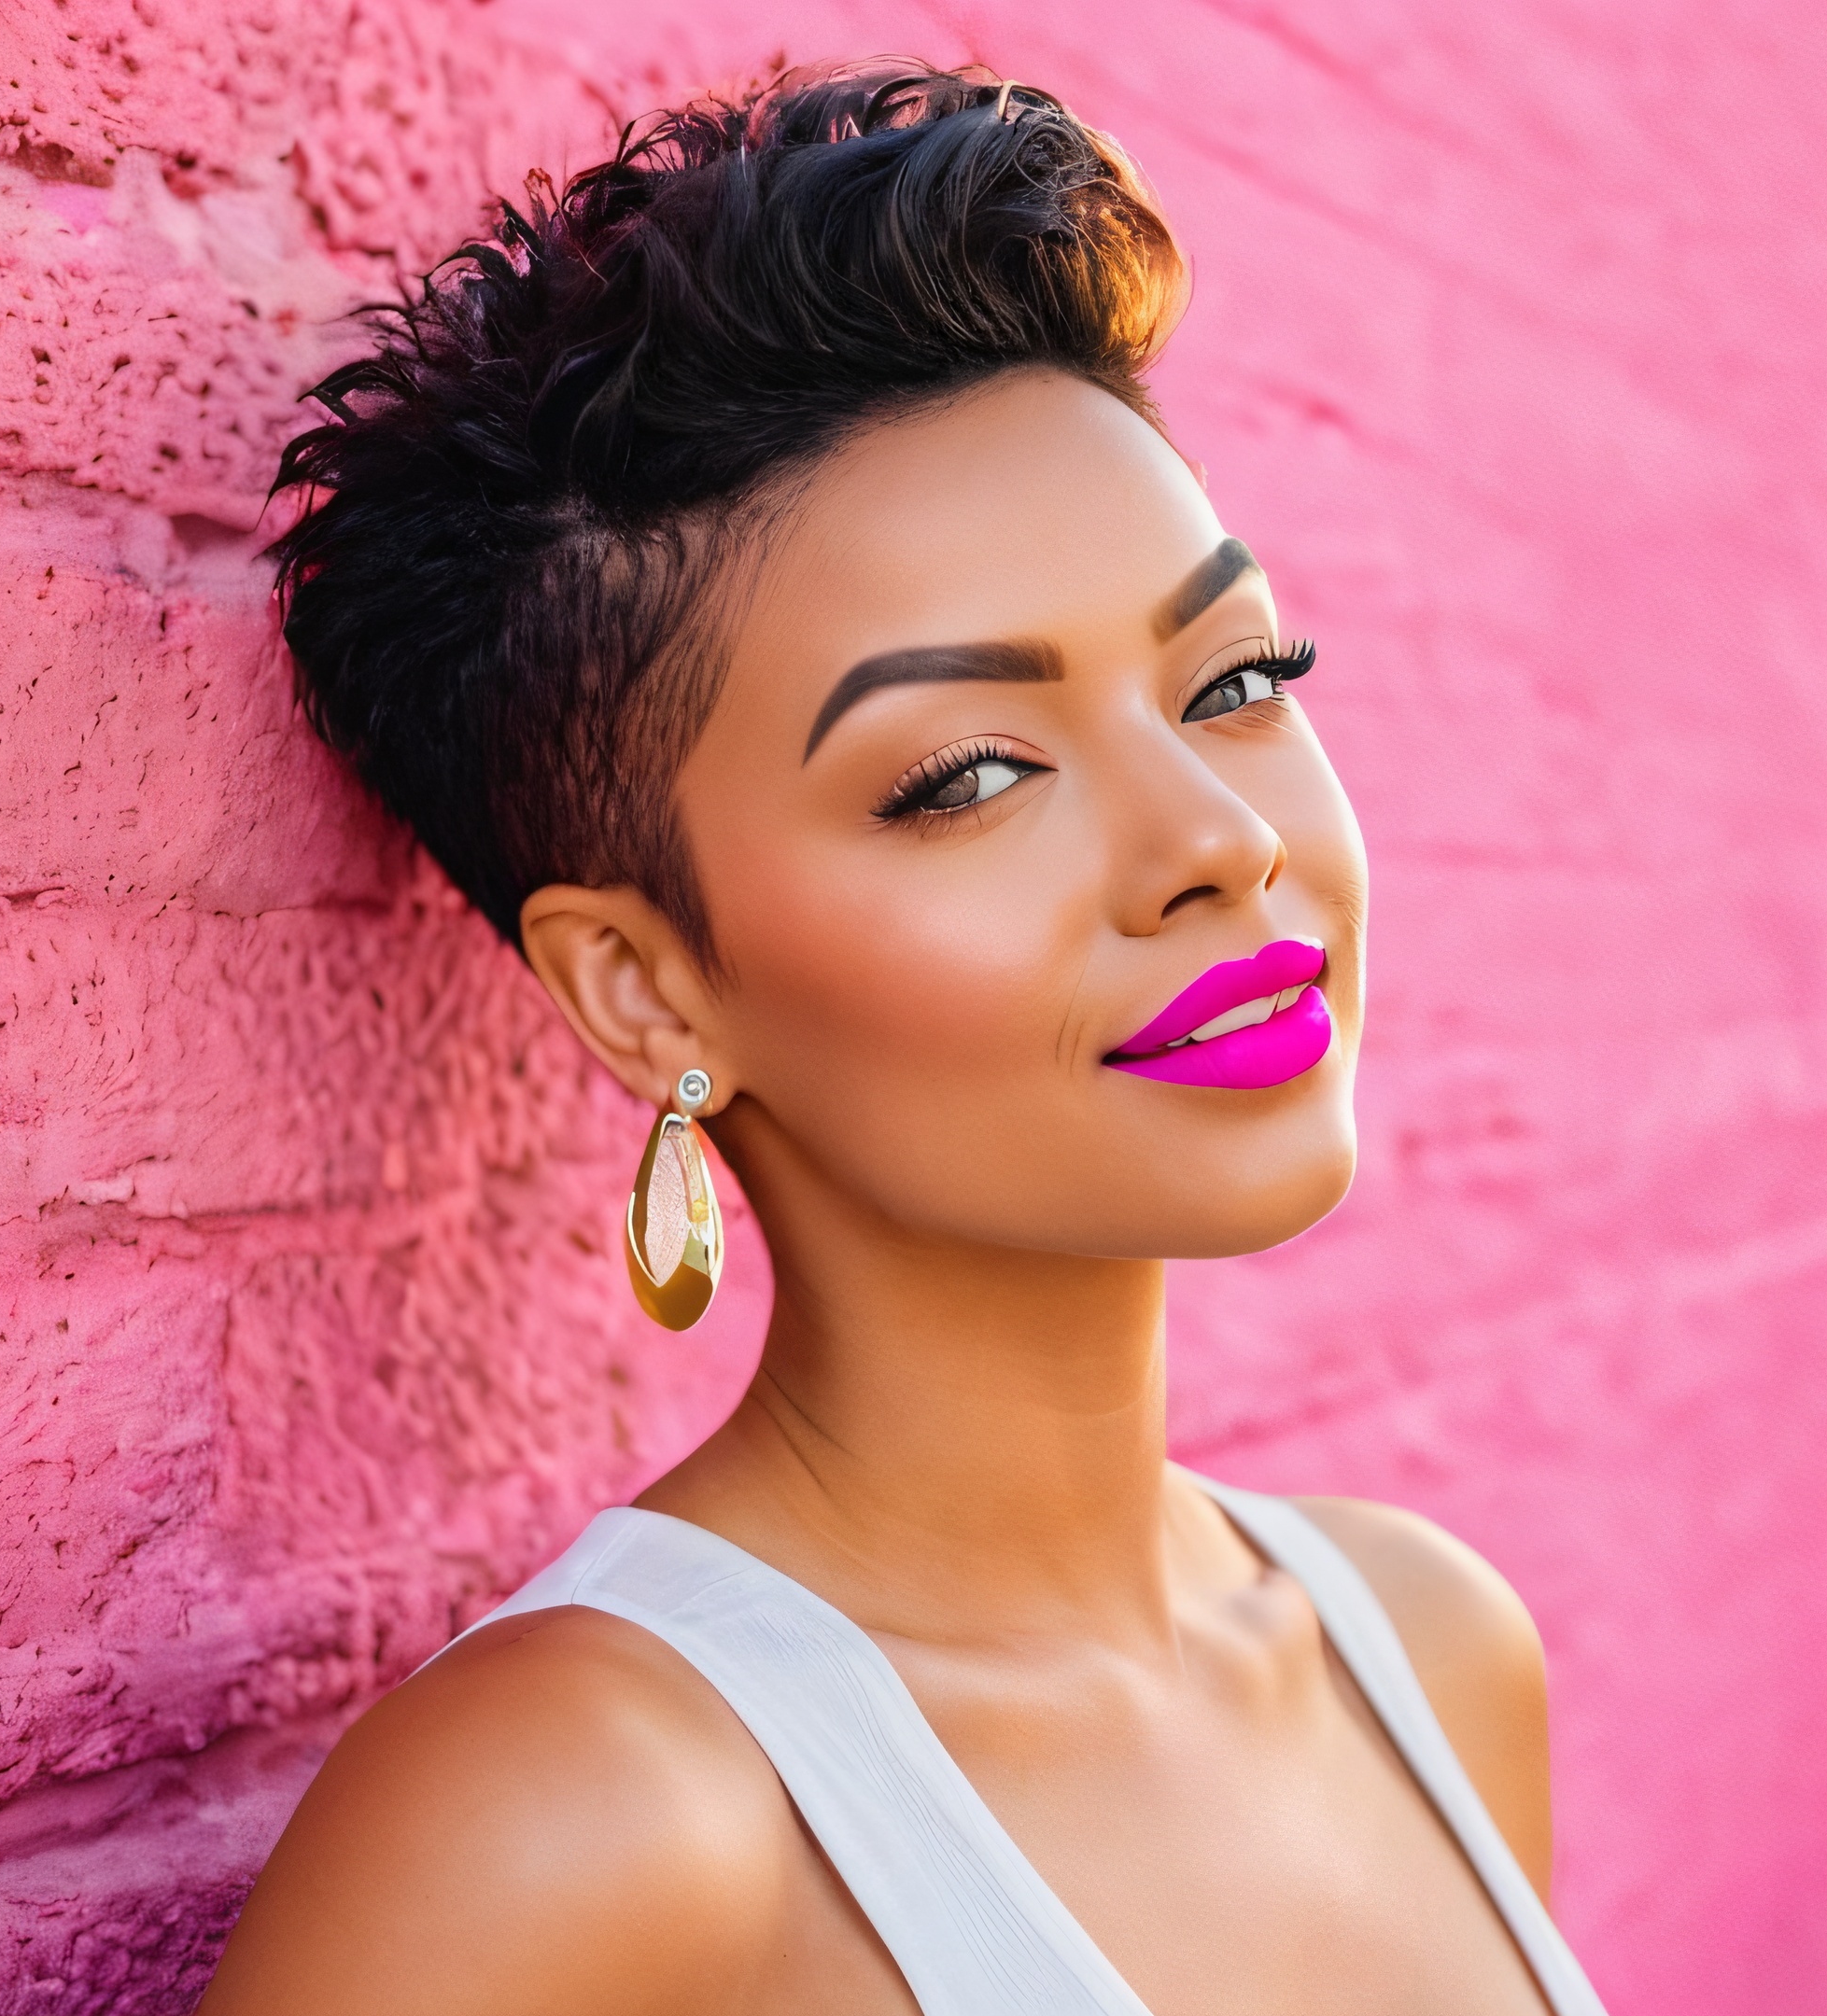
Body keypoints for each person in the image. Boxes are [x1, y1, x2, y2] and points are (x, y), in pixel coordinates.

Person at [197, 67, 1599, 2016]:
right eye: (965, 776)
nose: (1220, 835)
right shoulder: (575, 1830)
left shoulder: (1433, 1650)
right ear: (647, 988)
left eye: (1239, 677)